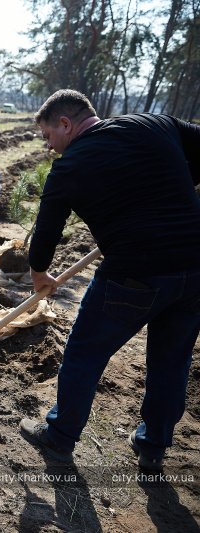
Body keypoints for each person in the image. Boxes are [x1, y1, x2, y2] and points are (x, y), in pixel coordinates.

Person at [19, 89, 200, 472]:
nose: (49, 148)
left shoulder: (69, 167)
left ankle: (60, 435)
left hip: (133, 274)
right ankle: (153, 446)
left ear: (65, 124)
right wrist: (179, 185)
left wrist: (39, 274)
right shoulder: (153, 124)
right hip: (194, 267)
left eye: (48, 136)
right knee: (172, 359)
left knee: (85, 351)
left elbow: (47, 232)